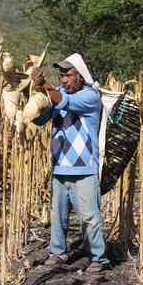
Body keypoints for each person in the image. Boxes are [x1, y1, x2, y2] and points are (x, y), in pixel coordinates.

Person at [31, 53, 109, 273]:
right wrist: (32, 97)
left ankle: (97, 257)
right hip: (59, 166)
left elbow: (64, 102)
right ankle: (58, 252)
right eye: (61, 75)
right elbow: (41, 119)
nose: (64, 79)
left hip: (84, 168)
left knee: (89, 216)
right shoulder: (60, 93)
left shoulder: (90, 97)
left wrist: (44, 84)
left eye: (68, 75)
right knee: (58, 215)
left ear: (80, 76)